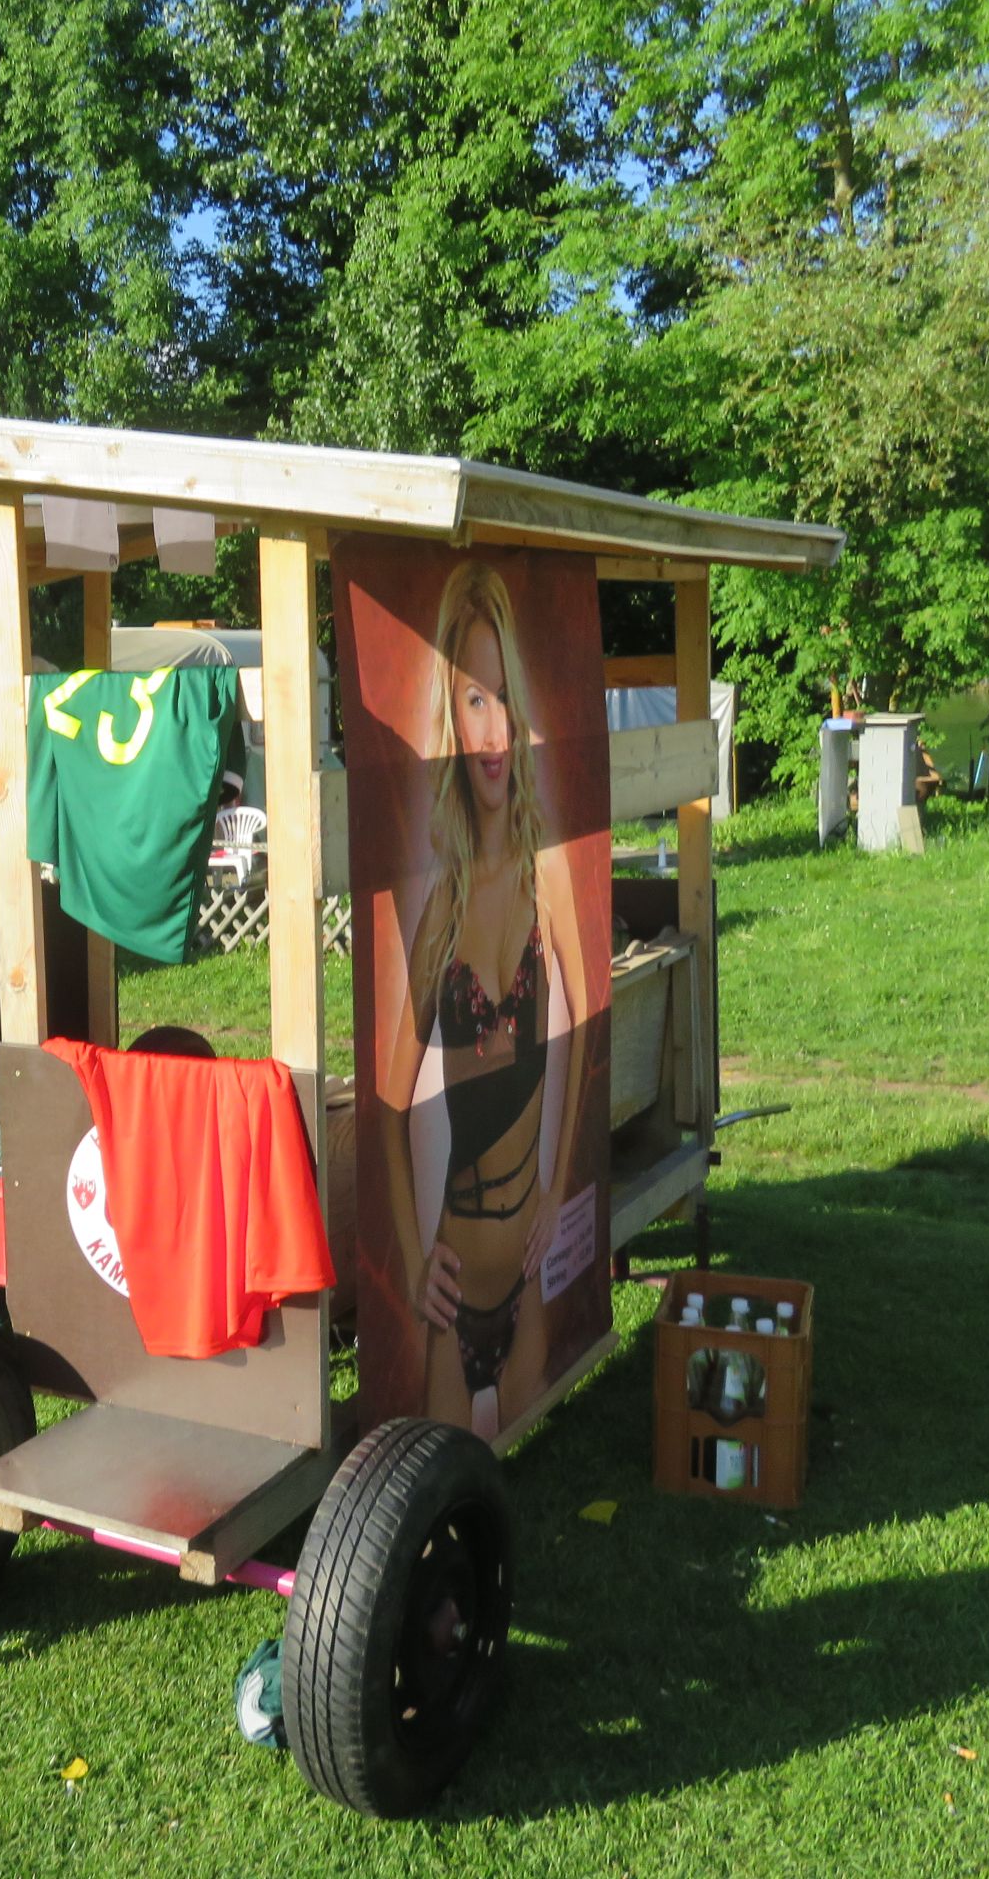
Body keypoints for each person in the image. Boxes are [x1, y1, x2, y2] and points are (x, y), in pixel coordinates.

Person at [372, 561, 594, 1440]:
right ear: (452, 717)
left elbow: (584, 1023)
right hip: (457, 1297)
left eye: (505, 698)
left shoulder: (548, 876)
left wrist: (556, 1185)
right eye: (474, 700)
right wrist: (414, 1257)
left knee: (530, 1487)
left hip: (527, 1290)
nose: (495, 729)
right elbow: (390, 1105)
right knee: (444, 1500)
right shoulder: (443, 910)